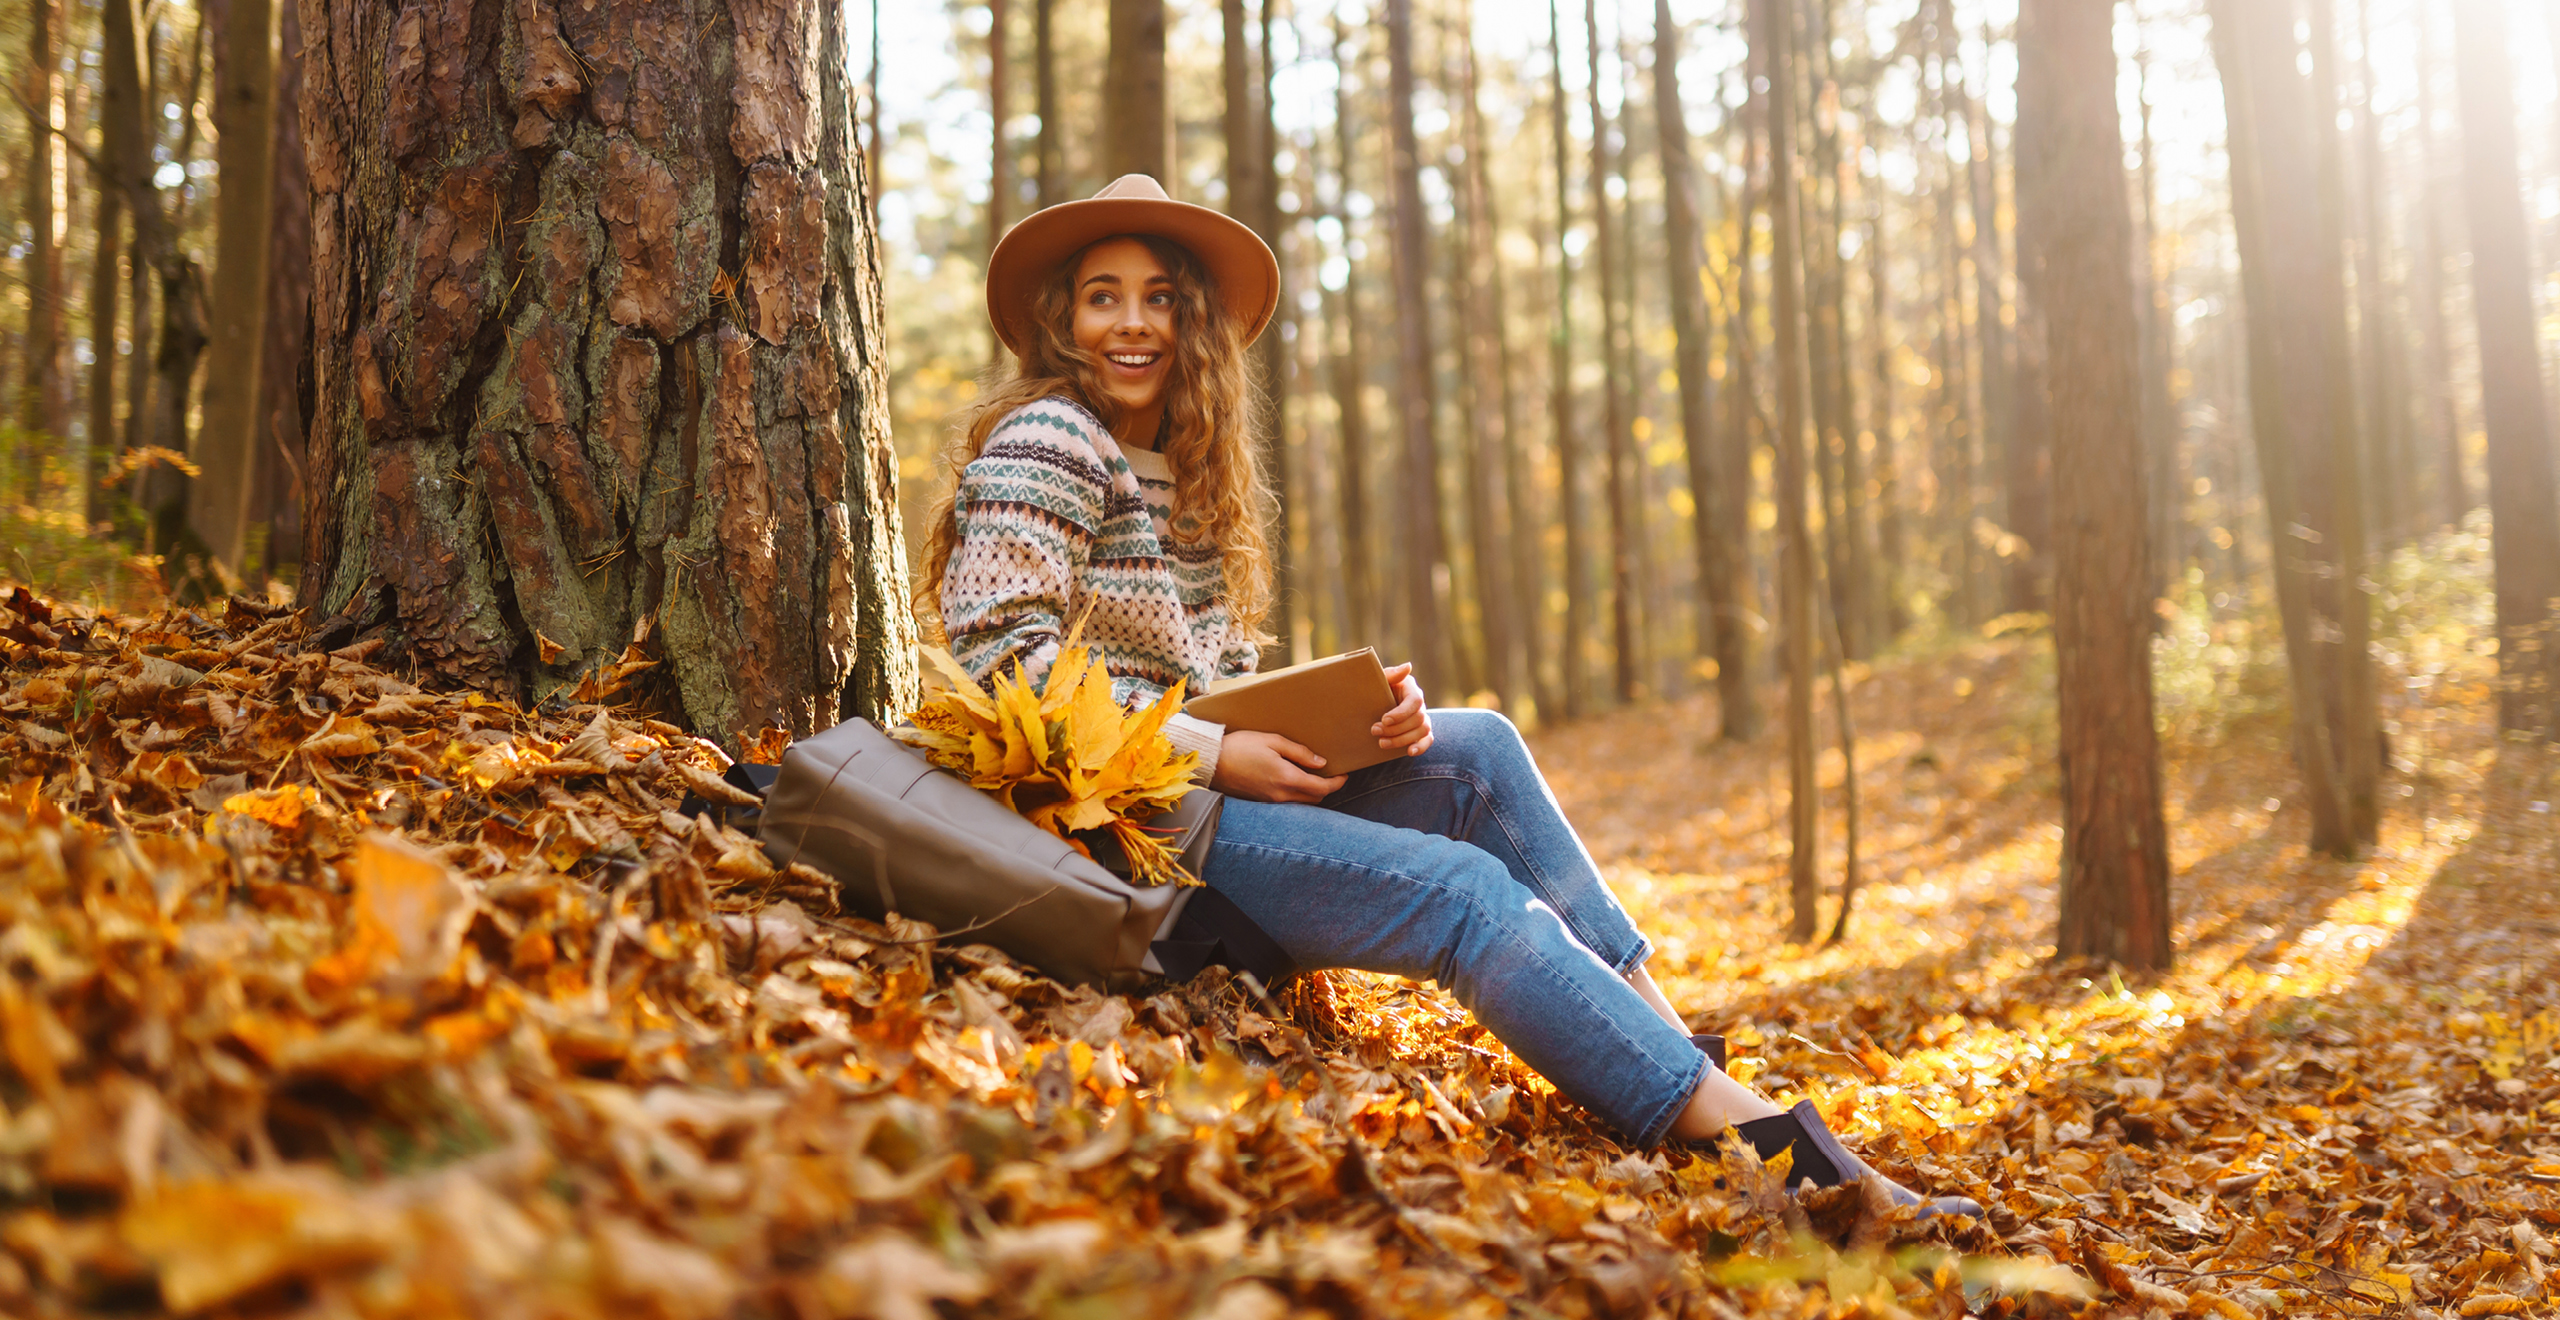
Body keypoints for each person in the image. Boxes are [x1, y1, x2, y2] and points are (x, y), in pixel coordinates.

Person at [920, 175, 1977, 1217]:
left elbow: (1203, 681)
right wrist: (1210, 753)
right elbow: (1000, 664)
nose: (1133, 322)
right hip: (1125, 835)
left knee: (1475, 752)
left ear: (1192, 320)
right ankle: (1775, 1156)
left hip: (1197, 797)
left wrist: (1354, 720)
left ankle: (1673, 1057)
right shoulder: (1049, 441)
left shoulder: (1177, 465)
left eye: (1160, 296)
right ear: (1062, 322)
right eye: (1103, 296)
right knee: (1470, 897)